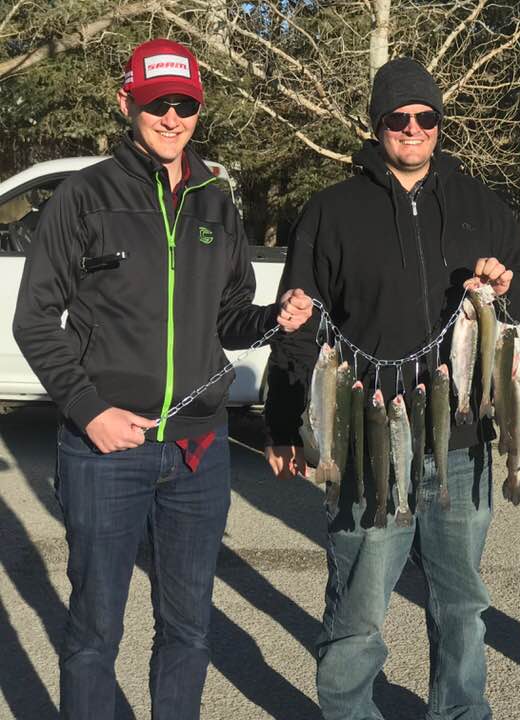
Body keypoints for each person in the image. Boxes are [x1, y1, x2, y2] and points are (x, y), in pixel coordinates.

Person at [12, 38, 313, 720]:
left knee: (188, 628)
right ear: (128, 103)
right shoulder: (84, 197)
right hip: (104, 451)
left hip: (198, 452)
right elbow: (33, 321)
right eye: (157, 104)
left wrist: (274, 318)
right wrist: (89, 411)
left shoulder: (215, 200)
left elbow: (230, 315)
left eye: (185, 105)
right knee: (95, 632)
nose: (171, 118)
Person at [264, 57, 520, 719]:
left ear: (440, 123)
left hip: (463, 440)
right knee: (359, 607)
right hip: (366, 437)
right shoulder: (332, 212)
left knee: (463, 607)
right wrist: (283, 420)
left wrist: (507, 287)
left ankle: (461, 712)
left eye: (426, 117)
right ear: (376, 125)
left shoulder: (480, 204)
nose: (413, 129)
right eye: (398, 118)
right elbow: (298, 321)